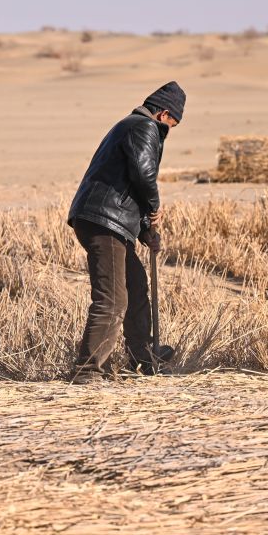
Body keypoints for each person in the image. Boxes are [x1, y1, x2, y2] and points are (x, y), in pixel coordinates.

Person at [67, 81, 185, 383]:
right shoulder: (143, 127)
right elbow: (144, 175)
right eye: (172, 123)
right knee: (113, 300)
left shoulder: (130, 126)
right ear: (163, 114)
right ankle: (87, 370)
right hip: (105, 222)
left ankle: (144, 358)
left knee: (135, 286)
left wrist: (146, 231)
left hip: (106, 220)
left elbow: (130, 182)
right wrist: (155, 207)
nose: (170, 130)